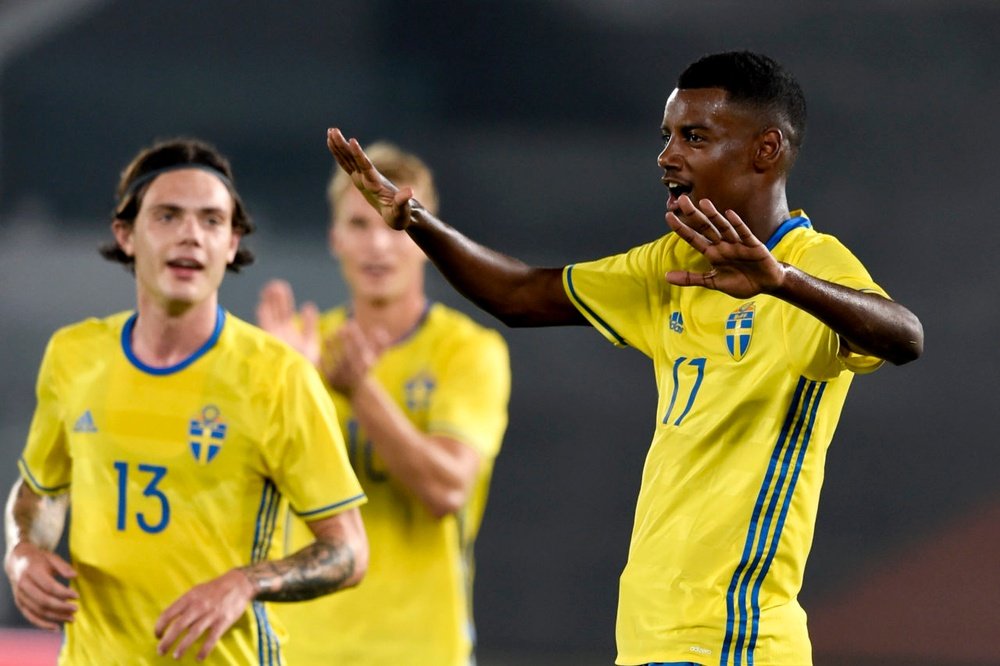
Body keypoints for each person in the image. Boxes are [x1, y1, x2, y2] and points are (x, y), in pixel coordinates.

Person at [327, 50, 924, 666]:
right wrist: (415, 220)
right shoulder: (671, 264)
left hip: (735, 635)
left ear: (765, 150)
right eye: (666, 136)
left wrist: (784, 282)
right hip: (649, 632)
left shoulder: (814, 264)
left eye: (694, 137)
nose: (667, 157)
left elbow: (905, 336)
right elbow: (519, 294)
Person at [3, 137, 369, 664]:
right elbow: (40, 490)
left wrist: (245, 583)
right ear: (125, 234)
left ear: (231, 242)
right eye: (168, 217)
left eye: (212, 221)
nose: (191, 235)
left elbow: (349, 550)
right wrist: (22, 553)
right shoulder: (73, 355)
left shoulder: (277, 377)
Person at [256, 142, 510, 665]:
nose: (378, 244)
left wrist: (361, 392)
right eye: (358, 224)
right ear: (334, 238)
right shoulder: (297, 351)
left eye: (395, 224)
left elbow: (446, 489)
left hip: (419, 648)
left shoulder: (467, 352)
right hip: (300, 646)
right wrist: (281, 388)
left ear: (424, 238)